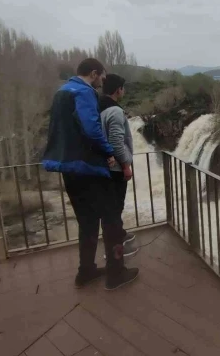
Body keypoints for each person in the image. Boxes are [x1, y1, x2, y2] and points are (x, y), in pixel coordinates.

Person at [42, 58, 139, 290]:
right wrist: (109, 153)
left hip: (68, 167)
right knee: (112, 220)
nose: (102, 82)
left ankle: (85, 271)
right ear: (94, 73)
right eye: (102, 77)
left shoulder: (61, 92)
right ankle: (116, 274)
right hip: (88, 168)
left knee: (87, 222)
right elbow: (92, 129)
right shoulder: (83, 92)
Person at [99, 74, 138, 260]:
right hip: (115, 170)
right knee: (113, 212)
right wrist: (125, 165)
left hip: (106, 168)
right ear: (118, 90)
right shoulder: (114, 111)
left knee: (111, 211)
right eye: (123, 87)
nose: (124, 90)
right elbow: (116, 141)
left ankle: (117, 240)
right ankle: (116, 256)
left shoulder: (101, 107)